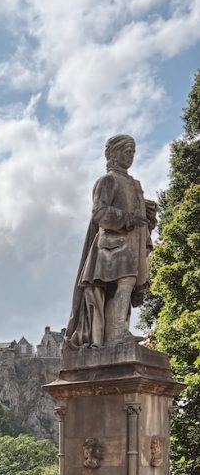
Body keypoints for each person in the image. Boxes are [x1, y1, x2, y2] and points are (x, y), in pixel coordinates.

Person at [66, 134, 157, 349]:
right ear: (114, 154)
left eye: (133, 152)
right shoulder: (107, 180)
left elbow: (133, 211)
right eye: (127, 151)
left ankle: (117, 331)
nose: (131, 156)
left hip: (130, 245)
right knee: (124, 282)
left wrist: (146, 212)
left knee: (127, 284)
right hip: (112, 246)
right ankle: (115, 333)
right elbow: (99, 213)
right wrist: (129, 218)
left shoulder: (134, 184)